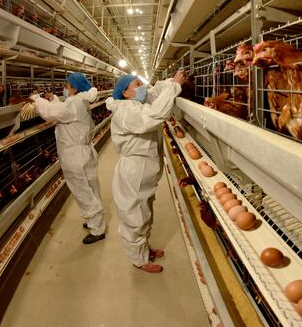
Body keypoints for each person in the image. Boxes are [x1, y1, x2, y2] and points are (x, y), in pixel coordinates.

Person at [106, 70, 186, 272]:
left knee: (144, 212)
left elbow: (154, 92)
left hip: (143, 169)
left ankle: (144, 248)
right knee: (135, 217)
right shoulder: (126, 111)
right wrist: (174, 86)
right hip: (134, 171)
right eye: (137, 85)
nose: (143, 87)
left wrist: (168, 83)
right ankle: (139, 259)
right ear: (125, 93)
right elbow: (156, 115)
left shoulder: (135, 103)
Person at [30, 73, 105, 244]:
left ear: (75, 87)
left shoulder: (74, 103)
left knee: (82, 191)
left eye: (67, 85)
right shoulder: (81, 100)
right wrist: (54, 98)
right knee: (91, 188)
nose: (66, 87)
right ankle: (96, 222)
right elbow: (64, 111)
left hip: (75, 155)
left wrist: (37, 99)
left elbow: (51, 113)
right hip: (84, 152)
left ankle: (97, 229)